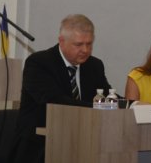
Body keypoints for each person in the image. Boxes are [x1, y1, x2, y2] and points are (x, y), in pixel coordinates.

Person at [12, 14, 112, 163]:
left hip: (83, 142)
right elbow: (55, 101)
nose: (85, 50)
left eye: (89, 44)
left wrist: (132, 104)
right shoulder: (38, 63)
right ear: (61, 41)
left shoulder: (94, 65)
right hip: (41, 146)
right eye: (78, 44)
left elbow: (107, 95)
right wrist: (99, 107)